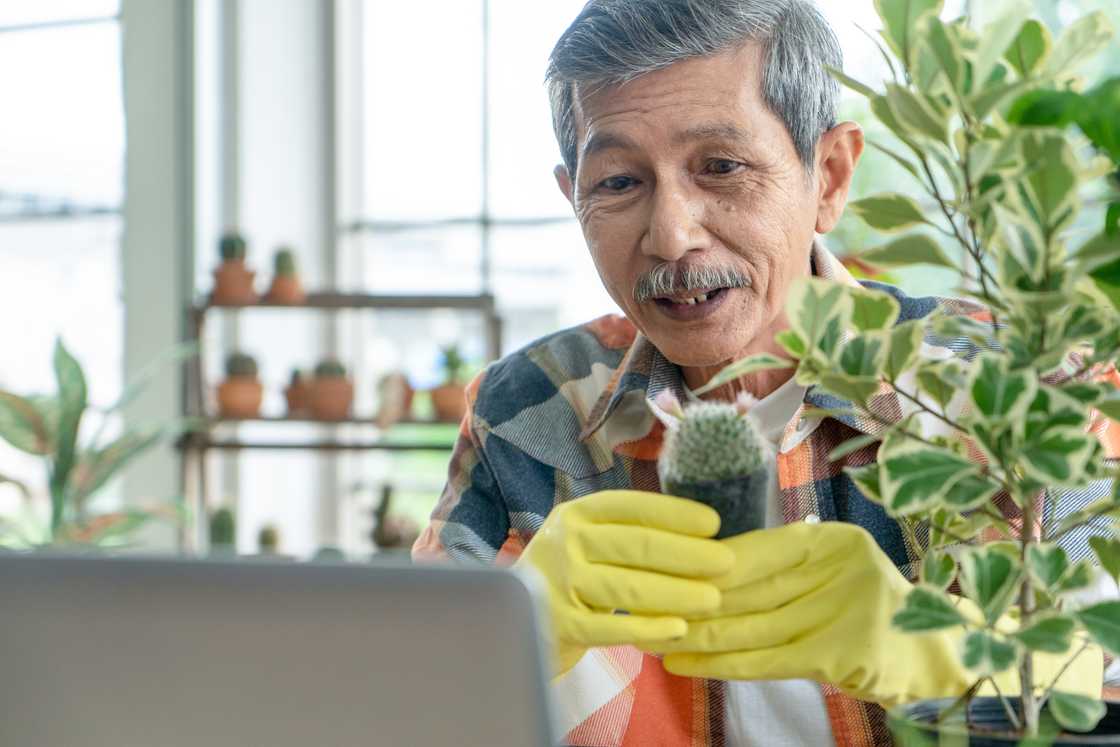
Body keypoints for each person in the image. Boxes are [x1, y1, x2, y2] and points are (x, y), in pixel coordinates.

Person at [413, 1, 1106, 744]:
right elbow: (388, 711)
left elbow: (1102, 678)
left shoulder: (1024, 391)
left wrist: (942, 653)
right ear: (572, 197)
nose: (672, 235)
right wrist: (506, 631)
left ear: (830, 178)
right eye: (618, 181)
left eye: (721, 166)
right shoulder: (523, 412)